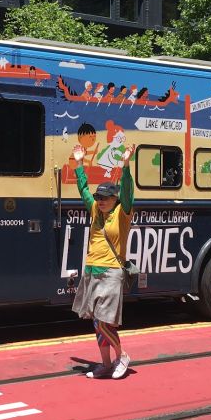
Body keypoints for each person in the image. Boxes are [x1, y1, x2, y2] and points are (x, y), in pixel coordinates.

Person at [70, 141, 136, 380]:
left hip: (111, 271)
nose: (101, 200)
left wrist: (126, 163)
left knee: (105, 322)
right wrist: (79, 163)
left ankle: (122, 356)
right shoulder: (95, 210)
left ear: (115, 199)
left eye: (106, 197)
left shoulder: (123, 212)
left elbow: (127, 189)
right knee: (97, 323)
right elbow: (83, 189)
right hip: (92, 270)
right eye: (99, 197)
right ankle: (106, 364)